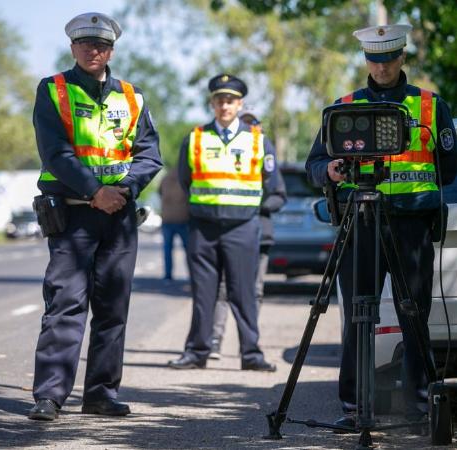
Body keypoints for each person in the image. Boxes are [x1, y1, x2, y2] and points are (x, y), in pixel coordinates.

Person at [305, 24, 457, 429]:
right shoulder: (343, 107)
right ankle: (357, 408)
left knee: (414, 318)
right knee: (360, 317)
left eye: (388, 57)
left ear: (402, 57)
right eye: (374, 58)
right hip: (362, 225)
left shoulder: (430, 106)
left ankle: (418, 408)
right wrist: (332, 171)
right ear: (365, 60)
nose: (382, 66)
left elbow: (450, 167)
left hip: (412, 226)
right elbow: (314, 164)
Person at [28, 12, 162, 421]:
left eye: (101, 45)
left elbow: (149, 155)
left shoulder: (132, 96)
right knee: (66, 305)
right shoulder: (54, 91)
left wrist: (124, 189)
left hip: (119, 216)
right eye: (85, 44)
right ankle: (50, 396)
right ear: (73, 47)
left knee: (112, 308)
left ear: (111, 50)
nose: (93, 50)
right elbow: (56, 153)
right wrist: (94, 191)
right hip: (72, 218)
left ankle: (101, 393)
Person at [167, 74, 277, 372]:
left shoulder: (257, 140)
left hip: (242, 227)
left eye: (230, 100)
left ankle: (251, 354)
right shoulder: (195, 138)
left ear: (240, 104)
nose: (224, 105)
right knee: (203, 293)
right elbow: (187, 181)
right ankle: (197, 352)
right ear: (212, 103)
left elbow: (271, 184)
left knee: (243, 293)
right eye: (219, 100)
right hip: (204, 227)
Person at [209, 110, 287, 360]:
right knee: (223, 289)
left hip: (259, 235)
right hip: (229, 231)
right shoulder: (227, 158)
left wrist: (253, 205)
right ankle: (214, 341)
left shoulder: (267, 155)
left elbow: (279, 195)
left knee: (254, 291)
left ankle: (249, 344)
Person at [159, 169, 190, 281]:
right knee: (188, 248)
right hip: (183, 218)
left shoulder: (165, 179)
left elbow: (160, 193)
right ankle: (191, 274)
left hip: (167, 218)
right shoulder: (184, 180)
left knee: (167, 248)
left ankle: (168, 274)